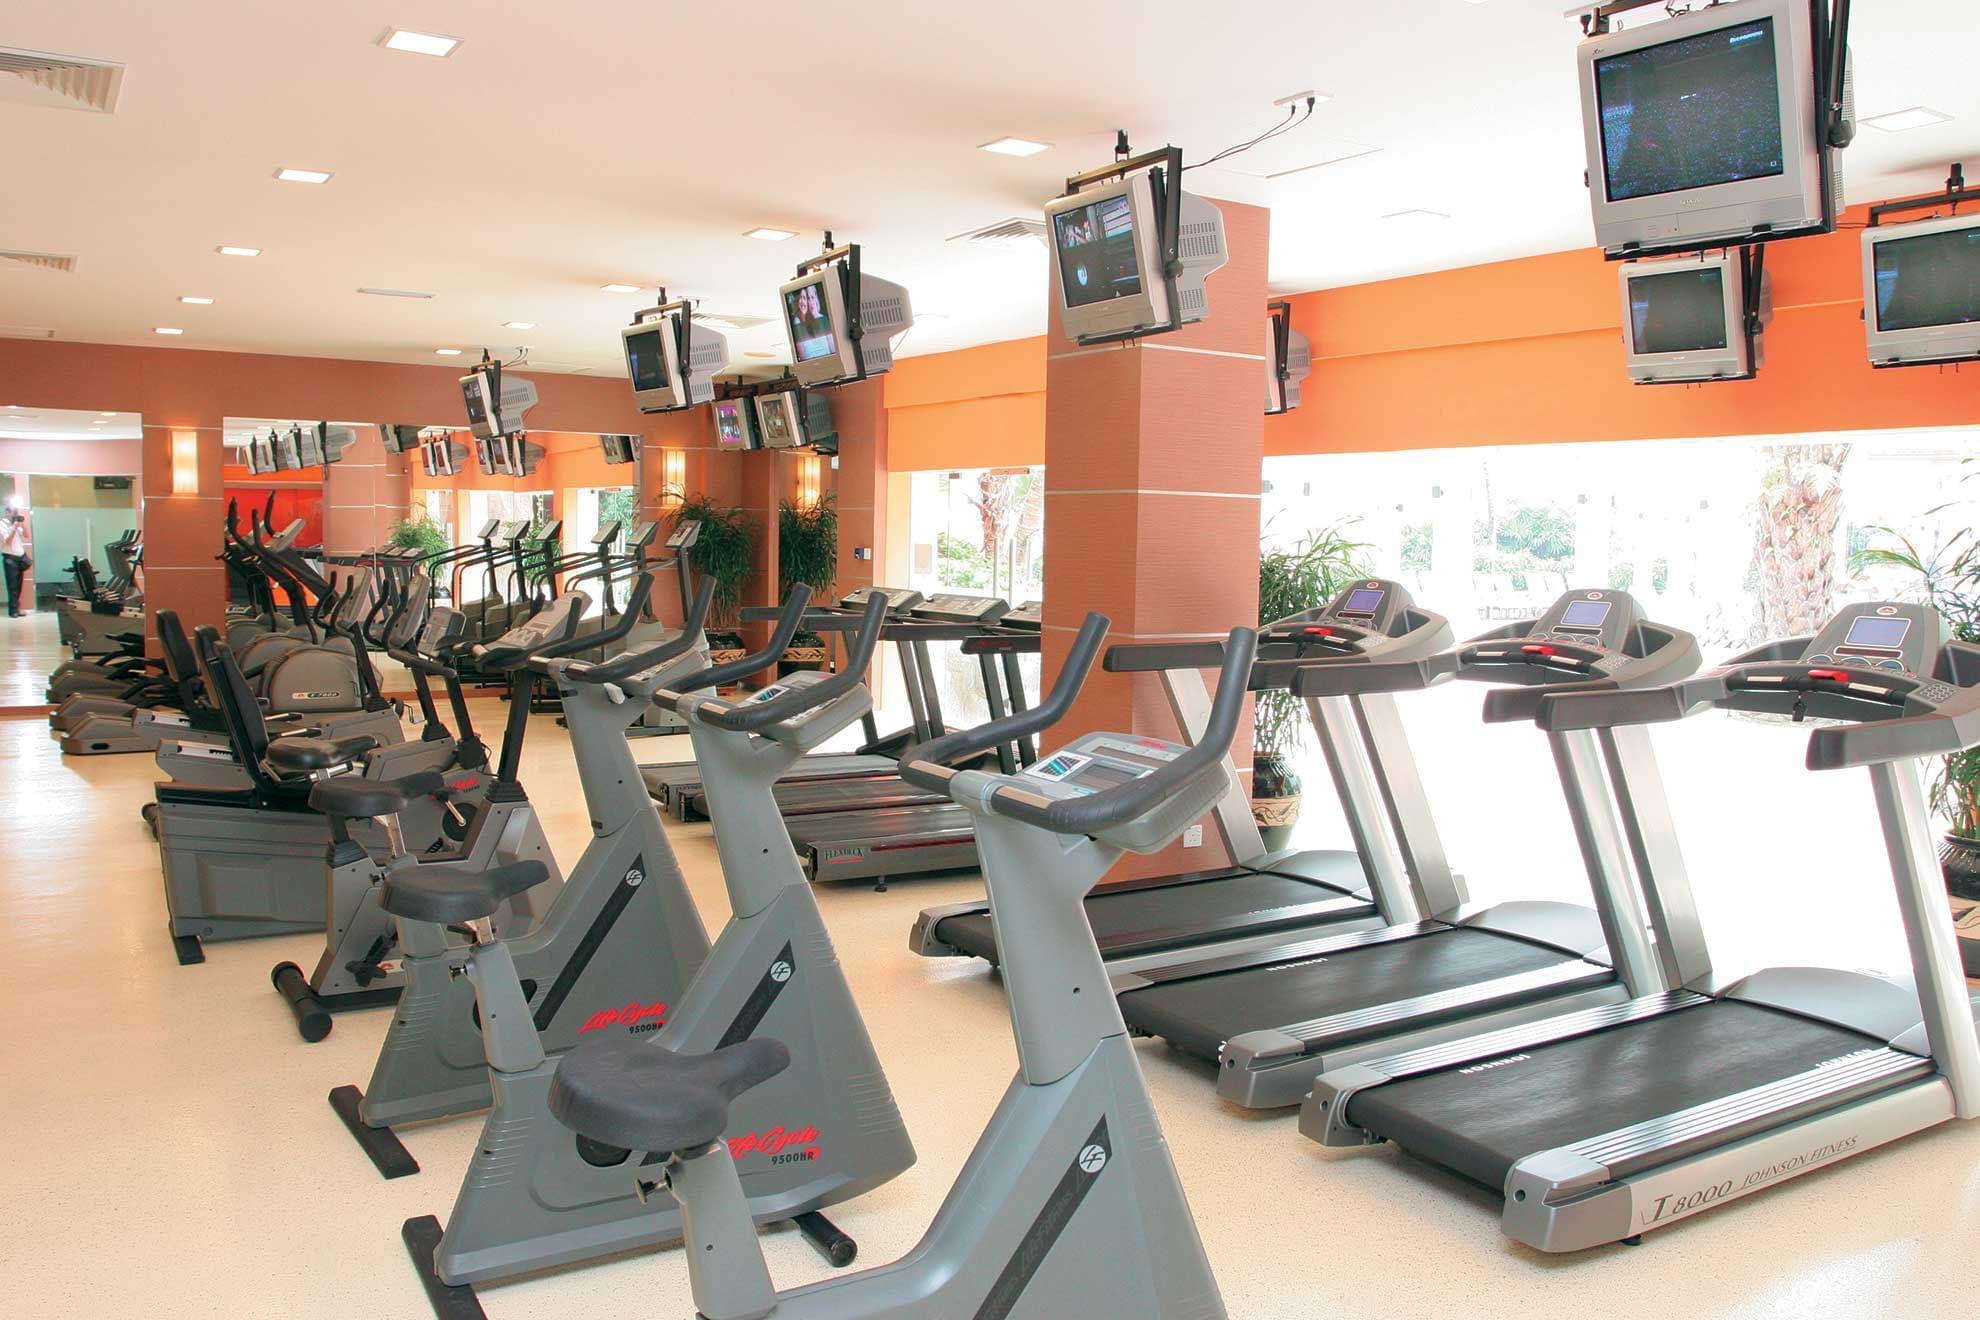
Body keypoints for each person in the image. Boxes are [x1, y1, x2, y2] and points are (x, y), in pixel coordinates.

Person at [1, 507, 30, 618]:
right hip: (10, 559)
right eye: (14, 513)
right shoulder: (2, 525)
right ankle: (13, 611)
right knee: (12, 586)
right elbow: (7, 541)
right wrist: (14, 527)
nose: (15, 516)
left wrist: (23, 523)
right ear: (7, 513)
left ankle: (17, 608)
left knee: (18, 585)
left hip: (20, 559)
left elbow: (26, 535)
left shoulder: (16, 524)